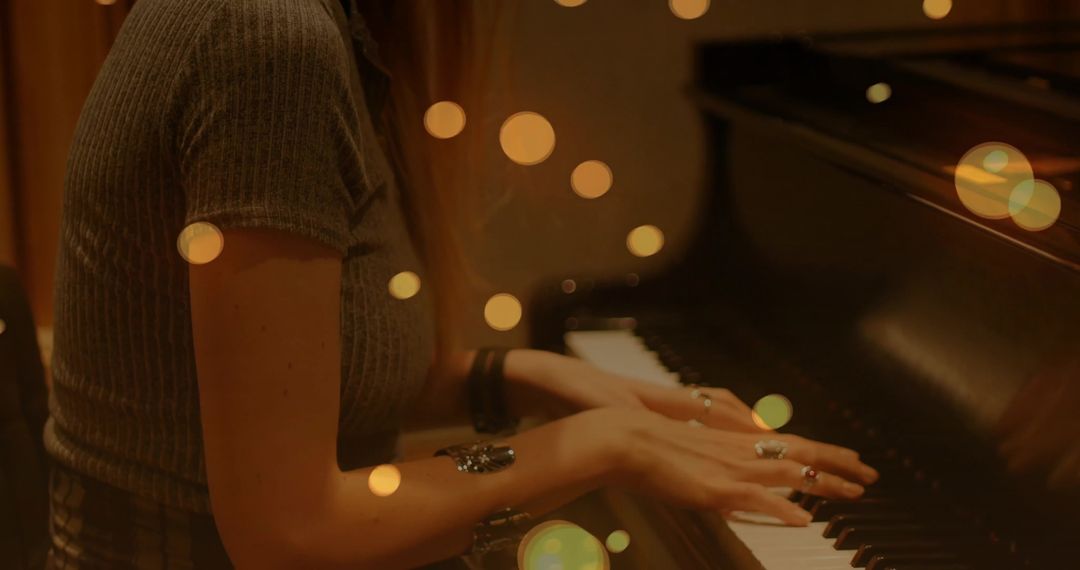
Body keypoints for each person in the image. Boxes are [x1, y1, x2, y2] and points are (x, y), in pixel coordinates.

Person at [45, 0, 879, 568]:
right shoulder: (265, 41)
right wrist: (601, 446)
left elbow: (306, 383)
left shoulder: (312, 28)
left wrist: (531, 376)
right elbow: (288, 536)